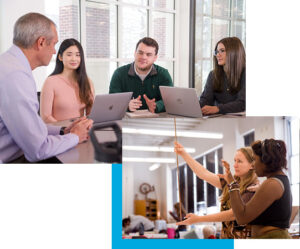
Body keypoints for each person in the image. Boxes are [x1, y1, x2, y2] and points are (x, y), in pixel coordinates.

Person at [0, 13, 93, 163]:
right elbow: (38, 150)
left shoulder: (10, 65)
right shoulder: (15, 76)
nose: (55, 51)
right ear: (41, 42)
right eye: (54, 44)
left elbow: (28, 127)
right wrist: (75, 136)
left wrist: (63, 131)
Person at [174, 141, 258, 238]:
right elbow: (203, 174)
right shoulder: (231, 183)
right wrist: (184, 154)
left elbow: (233, 214)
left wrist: (199, 219)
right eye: (234, 161)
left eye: (239, 161)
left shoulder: (253, 188)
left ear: (252, 165)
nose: (235, 165)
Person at [223, 139, 292, 239]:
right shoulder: (277, 181)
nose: (254, 165)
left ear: (266, 160)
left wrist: (233, 185)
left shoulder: (272, 184)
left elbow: (242, 217)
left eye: (255, 159)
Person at [109, 37, 173, 113]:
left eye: (148, 54)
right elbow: (112, 101)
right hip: (126, 121)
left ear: (155, 58)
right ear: (135, 53)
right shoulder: (119, 73)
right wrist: (126, 105)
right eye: (140, 52)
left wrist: (157, 106)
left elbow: (170, 100)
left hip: (155, 119)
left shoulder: (163, 74)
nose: (143, 57)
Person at [40, 38, 94, 123]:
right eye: (69, 55)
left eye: (77, 55)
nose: (74, 59)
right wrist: (65, 130)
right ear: (60, 57)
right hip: (59, 133)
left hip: (81, 133)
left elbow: (90, 115)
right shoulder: (50, 82)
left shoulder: (87, 82)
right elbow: (46, 117)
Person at [200, 37, 245, 115]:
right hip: (219, 122)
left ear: (234, 52)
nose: (218, 55)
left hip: (241, 122)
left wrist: (218, 108)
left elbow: (242, 103)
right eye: (217, 52)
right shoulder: (213, 75)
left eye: (222, 51)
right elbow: (205, 100)